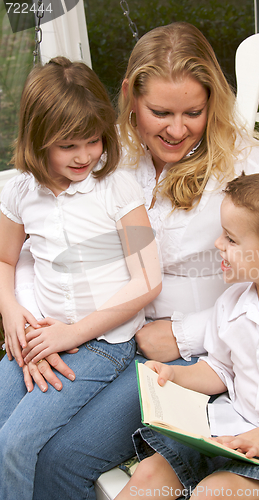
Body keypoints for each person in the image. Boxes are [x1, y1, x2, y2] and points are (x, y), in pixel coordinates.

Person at [11, 22, 259, 500]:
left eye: (194, 112)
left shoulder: (249, 171)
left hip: (188, 354)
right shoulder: (101, 154)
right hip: (99, 331)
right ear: (130, 97)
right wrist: (29, 318)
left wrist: (184, 334)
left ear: (213, 103)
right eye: (160, 112)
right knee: (19, 442)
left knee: (64, 458)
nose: (177, 129)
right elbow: (41, 245)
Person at [0, 56, 161, 500]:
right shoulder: (19, 192)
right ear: (37, 140)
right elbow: (5, 261)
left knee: (15, 443)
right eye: (68, 145)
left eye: (92, 141)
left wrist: (70, 333)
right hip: (42, 335)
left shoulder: (118, 188)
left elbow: (148, 279)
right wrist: (13, 312)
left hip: (103, 344)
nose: (85, 156)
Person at [118, 169, 259, 500]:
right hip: (231, 427)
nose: (219, 244)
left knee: (215, 492)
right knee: (149, 475)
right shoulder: (233, 302)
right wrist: (174, 374)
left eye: (231, 239)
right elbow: (220, 369)